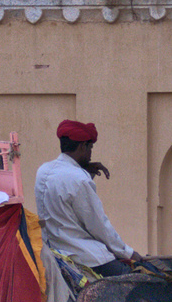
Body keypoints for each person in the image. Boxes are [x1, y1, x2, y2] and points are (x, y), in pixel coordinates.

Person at [34, 119, 140, 280]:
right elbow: (99, 226)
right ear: (83, 146)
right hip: (82, 255)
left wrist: (83, 170)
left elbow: (67, 200)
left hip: (52, 248)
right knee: (137, 281)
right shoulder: (79, 180)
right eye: (90, 148)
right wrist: (128, 253)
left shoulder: (43, 170)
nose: (91, 154)